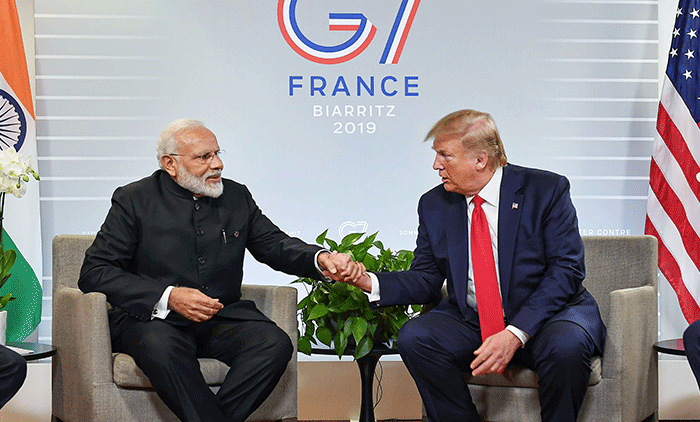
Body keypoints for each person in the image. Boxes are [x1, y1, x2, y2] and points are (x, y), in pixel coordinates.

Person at [78, 118, 362, 422]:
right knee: (160, 347)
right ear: (170, 163)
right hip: (154, 320)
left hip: (220, 317)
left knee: (274, 344)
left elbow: (274, 244)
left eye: (217, 153)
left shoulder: (237, 196)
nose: (217, 164)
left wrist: (321, 258)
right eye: (204, 157)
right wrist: (169, 296)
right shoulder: (134, 199)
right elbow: (95, 271)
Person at [344, 109, 607, 422]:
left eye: (445, 155)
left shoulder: (545, 190)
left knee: (566, 347)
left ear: (480, 160)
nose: (436, 165)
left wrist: (515, 333)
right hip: (474, 319)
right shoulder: (434, 204)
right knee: (416, 338)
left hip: (549, 316)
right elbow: (426, 279)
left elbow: (566, 270)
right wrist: (368, 281)